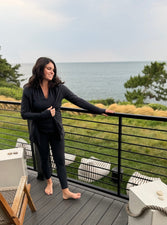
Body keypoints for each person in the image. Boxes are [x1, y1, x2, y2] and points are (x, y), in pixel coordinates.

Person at [21, 57, 112, 200]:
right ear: (40, 69)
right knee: (44, 159)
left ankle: (65, 191)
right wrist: (44, 114)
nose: (52, 71)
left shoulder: (59, 88)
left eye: (53, 69)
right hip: (40, 132)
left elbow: (78, 101)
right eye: (49, 69)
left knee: (60, 161)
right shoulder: (29, 90)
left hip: (56, 131)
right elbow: (24, 114)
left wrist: (100, 110)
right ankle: (49, 182)